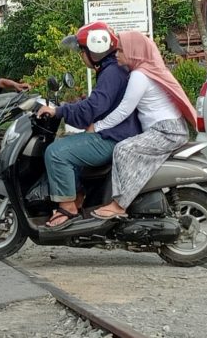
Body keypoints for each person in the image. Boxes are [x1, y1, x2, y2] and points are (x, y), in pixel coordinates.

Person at [35, 22, 142, 230]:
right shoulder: (110, 70)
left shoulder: (112, 72)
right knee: (70, 145)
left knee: (56, 152)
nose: (81, 55)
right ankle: (79, 198)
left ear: (94, 50)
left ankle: (67, 207)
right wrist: (70, 106)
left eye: (82, 51)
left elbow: (94, 106)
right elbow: (100, 104)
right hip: (116, 133)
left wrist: (60, 111)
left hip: (114, 138)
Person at [89, 31, 197, 219]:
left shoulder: (140, 75)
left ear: (134, 51)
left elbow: (124, 110)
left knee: (123, 150)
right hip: (169, 128)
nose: (116, 54)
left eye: (121, 50)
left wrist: (97, 127)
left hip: (166, 131)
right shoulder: (146, 70)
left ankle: (119, 205)